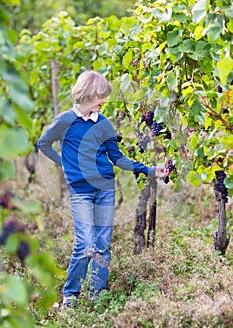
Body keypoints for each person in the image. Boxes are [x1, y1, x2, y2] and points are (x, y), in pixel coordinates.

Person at [37, 70, 169, 308]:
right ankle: (71, 296)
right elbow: (43, 143)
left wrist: (150, 170)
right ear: (89, 93)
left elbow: (117, 159)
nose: (104, 102)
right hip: (81, 191)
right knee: (85, 243)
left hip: (105, 189)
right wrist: (64, 163)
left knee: (102, 245)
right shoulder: (65, 120)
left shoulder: (104, 124)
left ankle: (98, 297)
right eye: (101, 97)